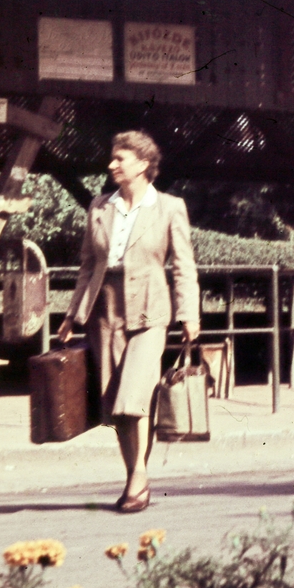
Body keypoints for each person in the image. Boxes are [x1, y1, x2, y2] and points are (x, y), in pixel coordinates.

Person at [56, 130, 198, 514]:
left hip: (150, 309)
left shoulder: (169, 207)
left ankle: (138, 477)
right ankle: (134, 474)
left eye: (120, 159)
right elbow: (88, 265)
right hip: (105, 310)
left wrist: (189, 313)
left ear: (143, 163)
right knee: (114, 403)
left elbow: (184, 266)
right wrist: (72, 314)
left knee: (134, 395)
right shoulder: (100, 207)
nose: (112, 165)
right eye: (113, 158)